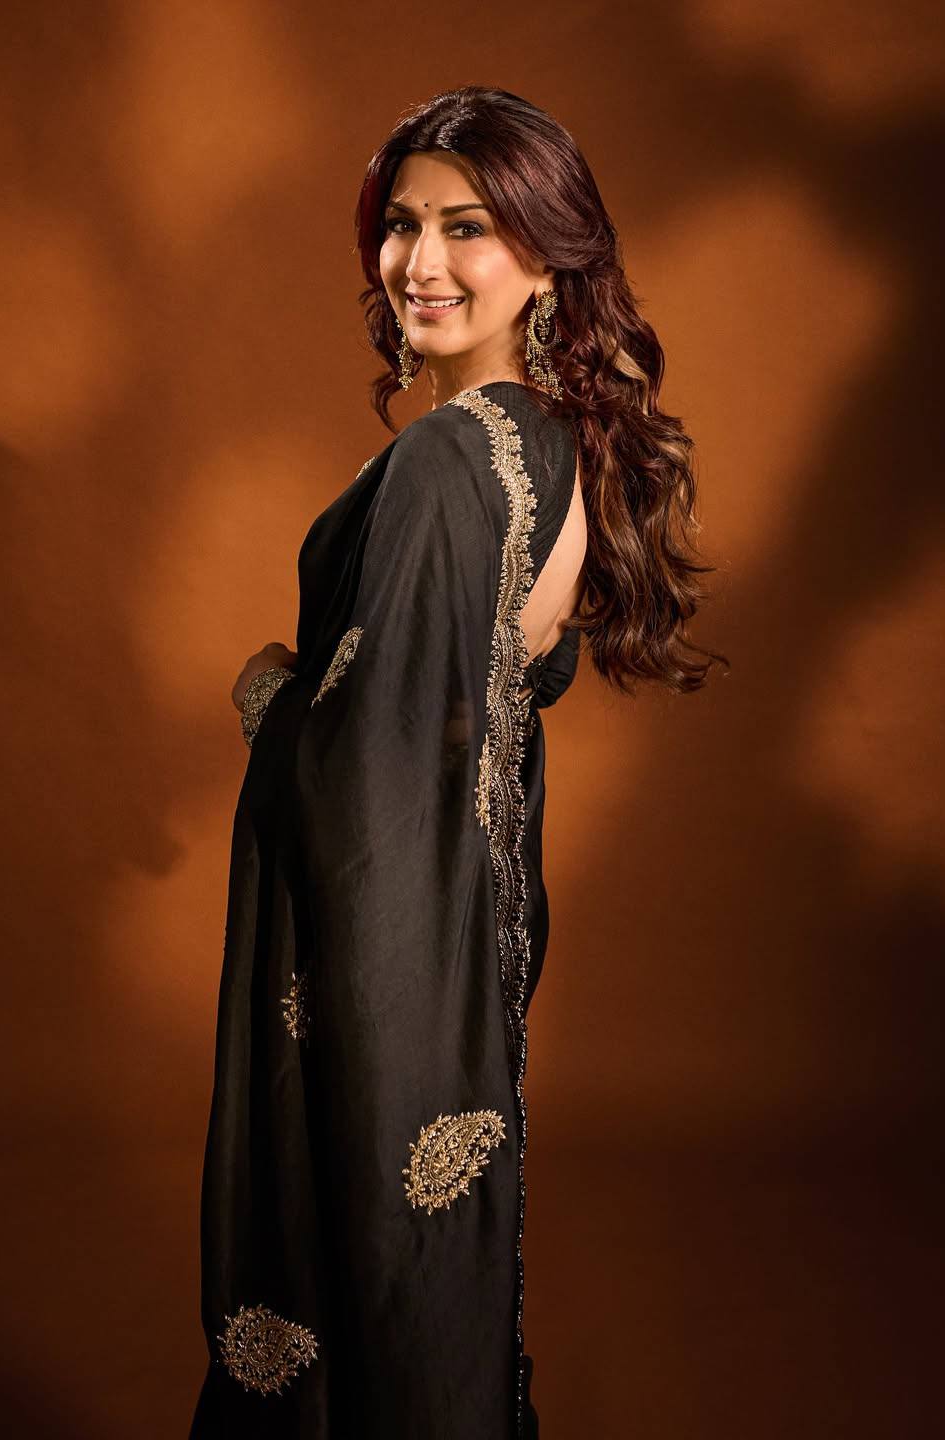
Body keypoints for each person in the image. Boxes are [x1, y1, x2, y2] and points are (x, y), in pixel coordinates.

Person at [189, 85, 726, 1440]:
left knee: (363, 1275)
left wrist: (270, 696)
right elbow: (481, 705)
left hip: (393, 946)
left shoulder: (444, 461)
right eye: (402, 225)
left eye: (467, 227)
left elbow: (370, 766)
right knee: (429, 1277)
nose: (419, 262)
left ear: (547, 254)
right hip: (467, 930)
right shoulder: (556, 445)